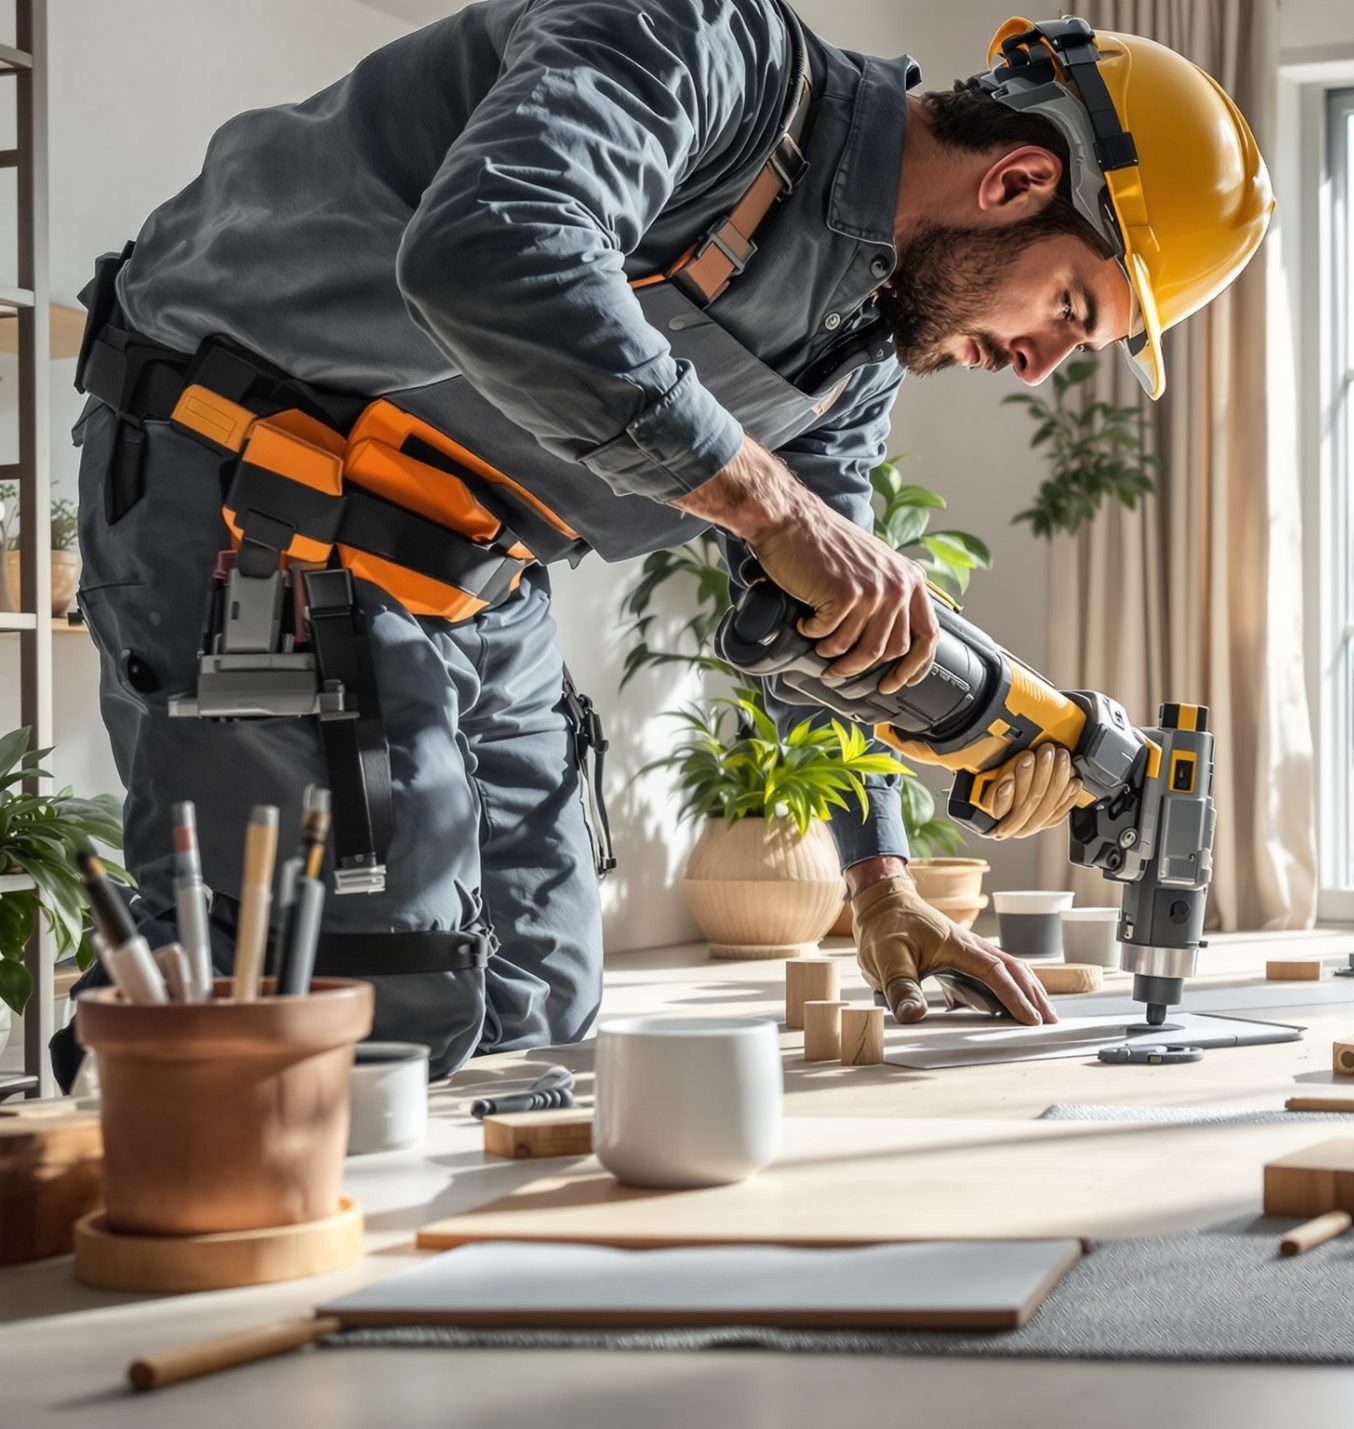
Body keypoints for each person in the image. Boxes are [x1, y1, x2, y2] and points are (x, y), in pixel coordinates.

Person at [55, 0, 1272, 1082]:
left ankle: (476, 1305)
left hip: (481, 574)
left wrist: (879, 876)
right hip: (251, 490)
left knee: (543, 994)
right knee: (369, 995)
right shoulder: (696, 43)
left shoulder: (850, 356)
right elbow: (491, 251)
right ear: (1012, 184)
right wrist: (772, 507)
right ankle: (150, 1182)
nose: (1041, 362)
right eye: (1071, 309)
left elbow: (820, 613)